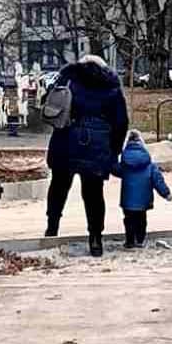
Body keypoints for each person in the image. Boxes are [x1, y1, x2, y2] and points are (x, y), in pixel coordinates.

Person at [45, 55, 129, 255]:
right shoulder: (111, 87)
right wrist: (113, 152)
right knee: (93, 193)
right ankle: (95, 238)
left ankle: (51, 228)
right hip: (97, 144)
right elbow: (121, 123)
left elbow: (50, 105)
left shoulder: (68, 79)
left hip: (65, 139)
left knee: (59, 186)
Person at [114, 129, 172, 249]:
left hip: (128, 201)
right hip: (143, 200)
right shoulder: (150, 165)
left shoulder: (124, 164)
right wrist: (166, 194)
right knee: (141, 219)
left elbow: (115, 169)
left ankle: (130, 241)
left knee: (129, 220)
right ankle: (140, 240)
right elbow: (158, 181)